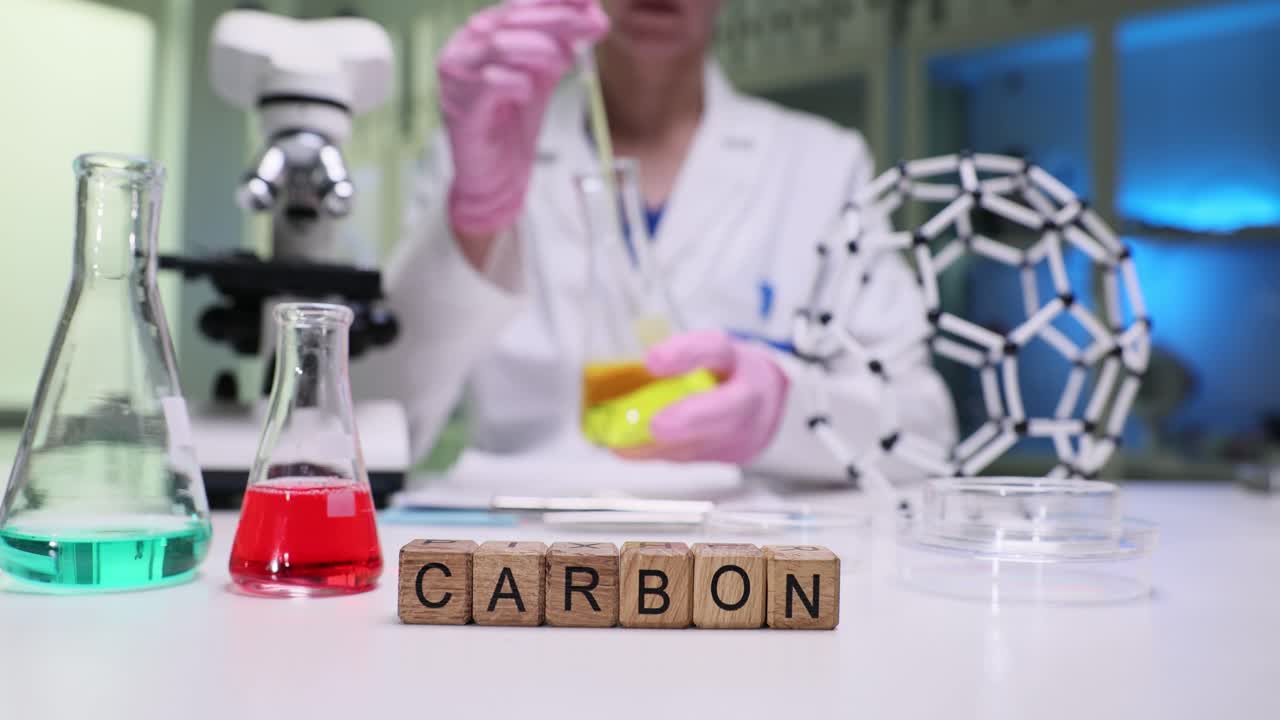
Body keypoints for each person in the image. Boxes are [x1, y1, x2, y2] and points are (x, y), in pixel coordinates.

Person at [354, 0, 956, 482]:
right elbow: (368, 430)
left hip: (736, 566)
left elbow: (924, 434)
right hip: (523, 556)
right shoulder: (487, 148)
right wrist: (475, 218)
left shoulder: (821, 165)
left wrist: (787, 408)